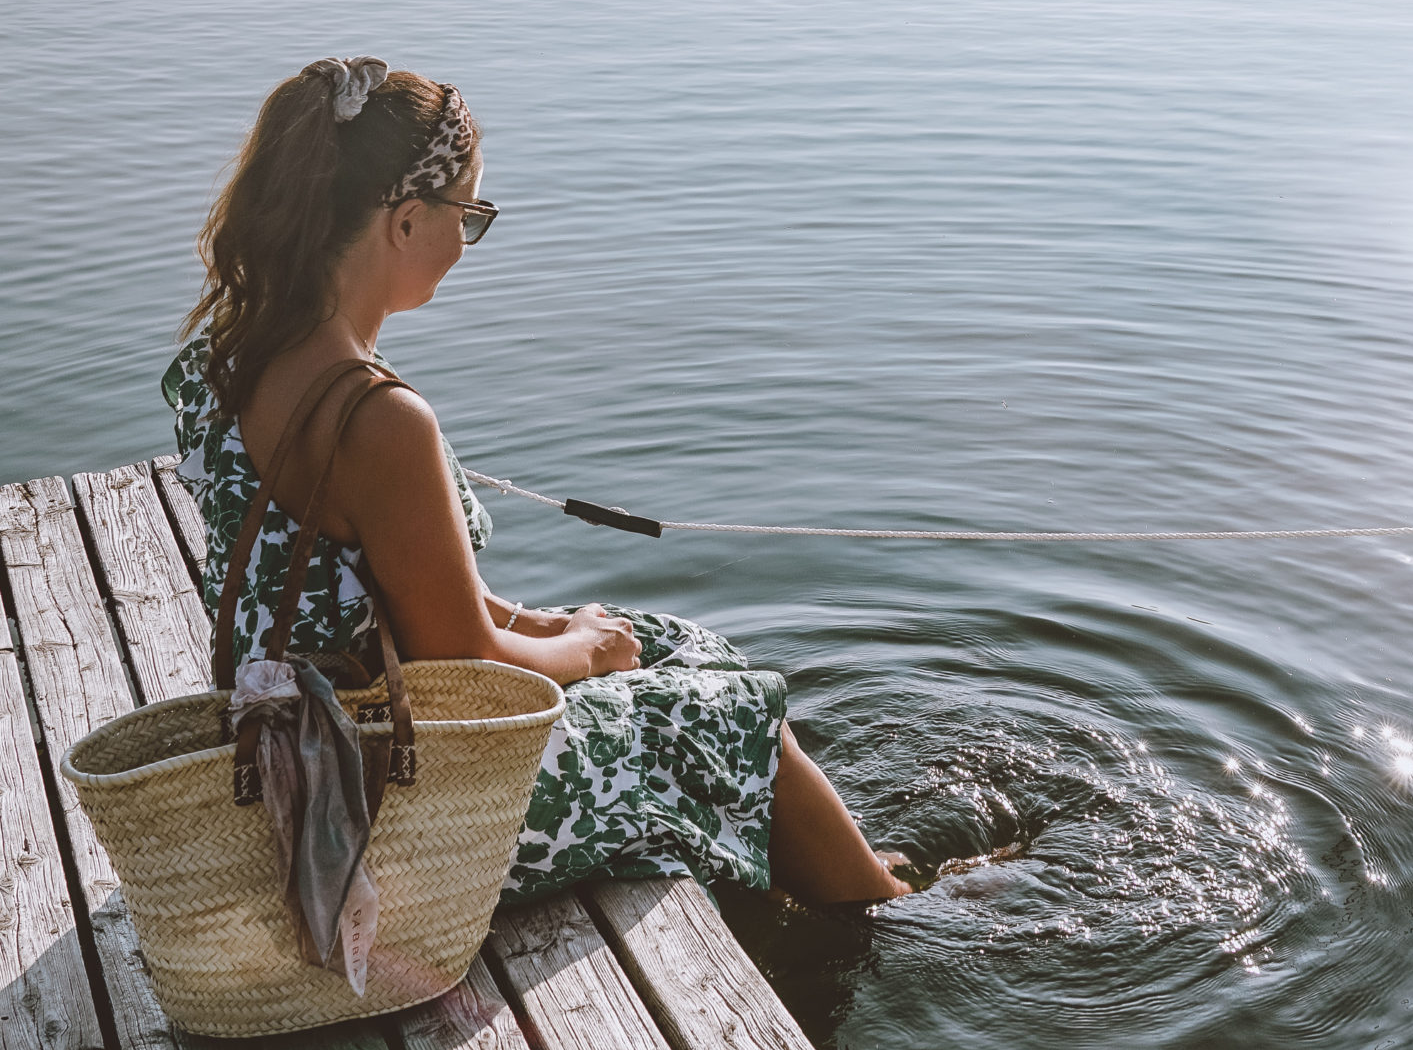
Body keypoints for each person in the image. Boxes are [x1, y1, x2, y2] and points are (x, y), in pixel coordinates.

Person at [164, 55, 910, 908]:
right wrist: (581, 651)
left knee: (683, 646)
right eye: (467, 215)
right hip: (392, 801)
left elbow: (382, 596)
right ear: (404, 222)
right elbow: (465, 659)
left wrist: (555, 627)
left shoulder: (227, 356)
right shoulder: (380, 420)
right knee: (726, 717)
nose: (465, 239)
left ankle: (821, 862)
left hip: (298, 731)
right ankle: (881, 906)